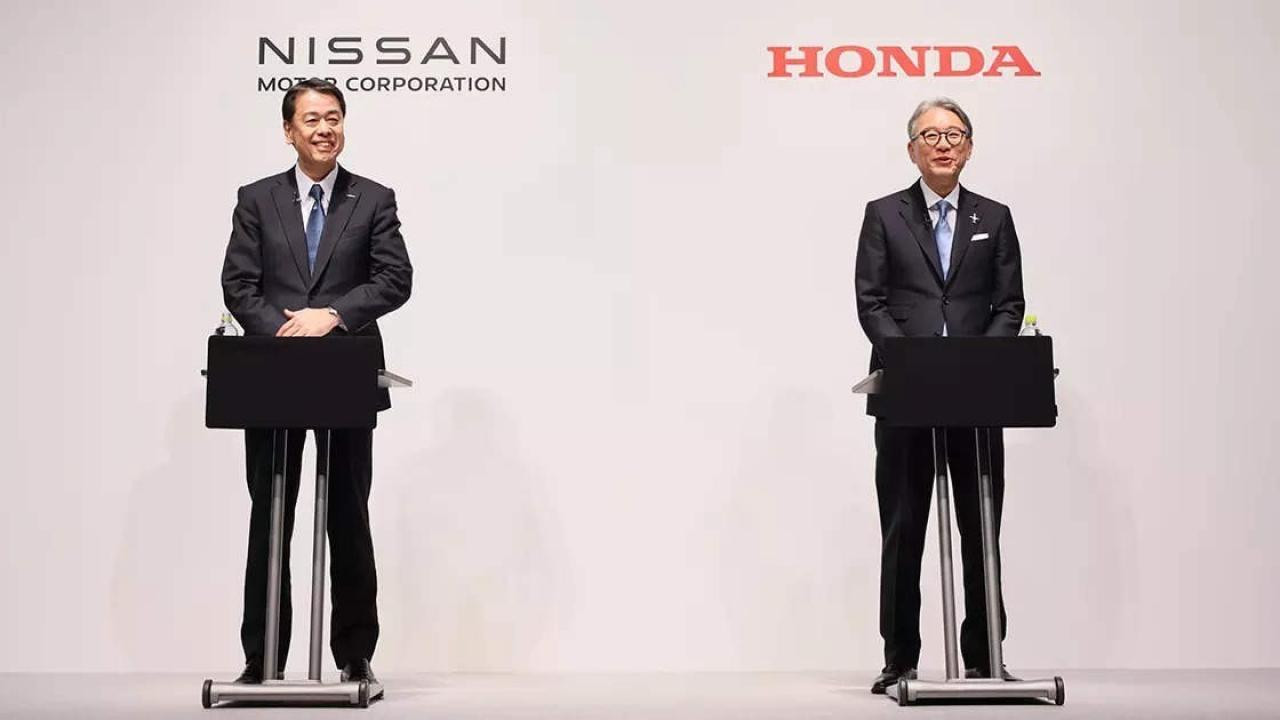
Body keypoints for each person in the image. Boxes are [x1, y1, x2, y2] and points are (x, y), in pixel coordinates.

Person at [220, 77, 412, 689]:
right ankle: (262, 658)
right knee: (271, 515)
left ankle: (355, 655)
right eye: (312, 119)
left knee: (348, 515)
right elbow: (238, 284)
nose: (325, 128)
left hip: (347, 378)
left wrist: (331, 316)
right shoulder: (257, 199)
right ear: (289, 131)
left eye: (334, 117)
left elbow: (395, 279)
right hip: (271, 379)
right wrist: (285, 332)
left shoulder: (372, 199)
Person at [854, 98, 1025, 694]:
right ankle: (900, 659)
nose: (943, 144)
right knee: (903, 529)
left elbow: (1009, 304)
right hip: (906, 396)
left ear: (970, 147)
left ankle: (985, 657)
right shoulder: (884, 214)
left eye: (954, 134)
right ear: (912, 150)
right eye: (930, 135)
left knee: (981, 530)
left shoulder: (995, 217)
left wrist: (976, 364)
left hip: (977, 398)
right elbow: (871, 301)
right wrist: (914, 364)